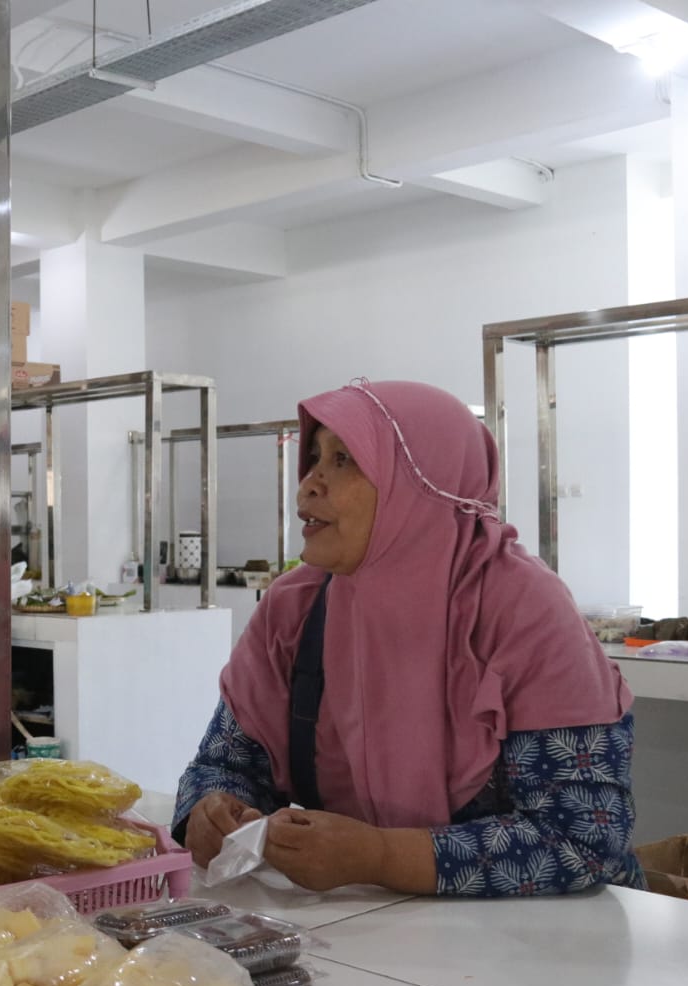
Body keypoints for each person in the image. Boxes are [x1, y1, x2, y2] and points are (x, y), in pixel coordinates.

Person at [174, 380, 644, 897]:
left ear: (423, 485)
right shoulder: (295, 607)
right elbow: (226, 762)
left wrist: (382, 856)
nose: (307, 484)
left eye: (343, 460)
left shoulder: (522, 609)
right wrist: (211, 809)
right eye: (313, 458)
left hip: (541, 946)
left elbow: (582, 838)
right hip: (370, 931)